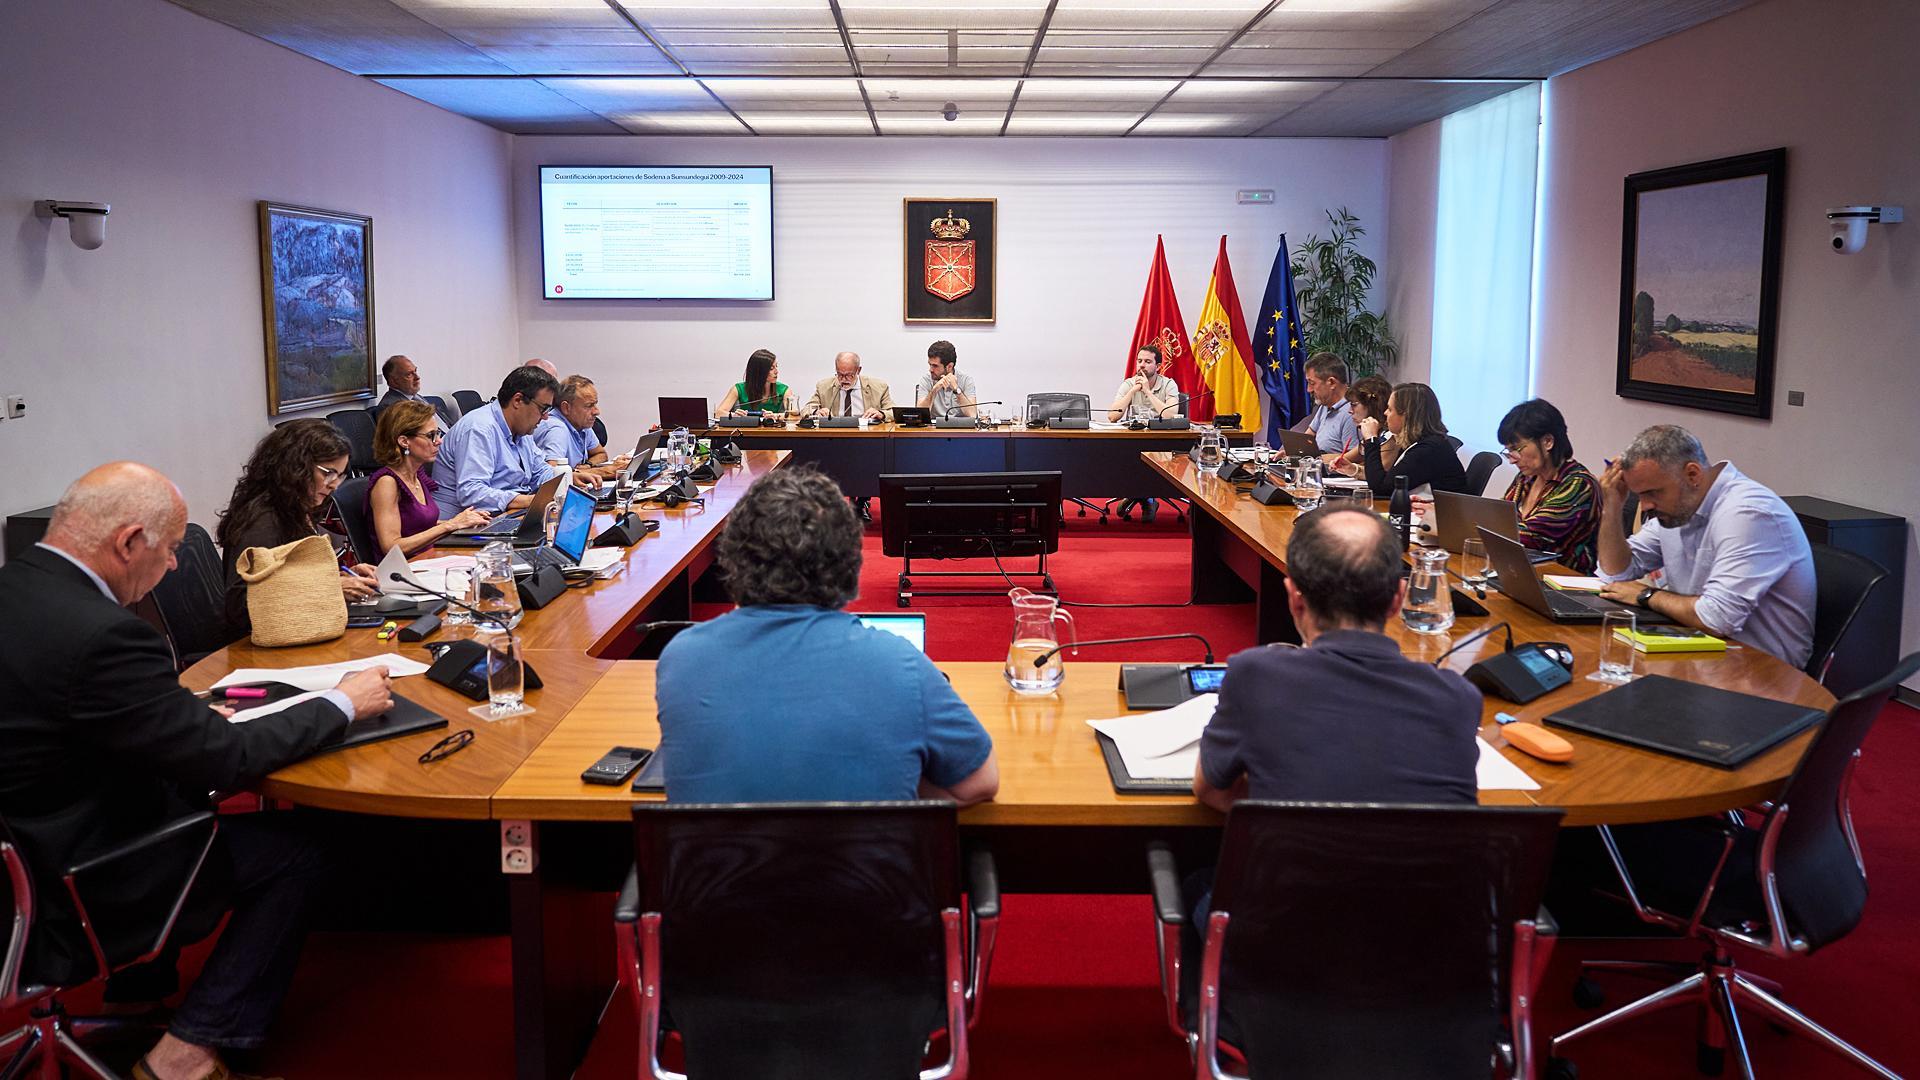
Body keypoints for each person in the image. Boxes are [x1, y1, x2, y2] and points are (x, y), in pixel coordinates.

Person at [0, 462, 393, 1080]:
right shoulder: (104, 635)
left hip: (23, 848)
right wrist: (343, 702)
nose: (177, 567)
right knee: (303, 851)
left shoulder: (18, 587)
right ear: (130, 542)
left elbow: (76, 713)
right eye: (174, 550)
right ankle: (188, 1052)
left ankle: (137, 990)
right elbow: (224, 760)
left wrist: (181, 710)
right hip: (75, 878)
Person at [1185, 506, 1481, 1019]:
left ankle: (1211, 1018)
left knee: (1194, 879)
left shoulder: (1256, 674)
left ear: (1293, 596)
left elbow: (1211, 792)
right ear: (1397, 600)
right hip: (1423, 953)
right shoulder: (1456, 696)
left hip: (1287, 942)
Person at [656, 466, 999, 805]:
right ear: (850, 562)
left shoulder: (682, 657)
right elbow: (979, 784)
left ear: (731, 558)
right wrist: (899, 778)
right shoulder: (901, 663)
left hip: (721, 862)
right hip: (866, 862)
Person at [1595, 425, 1814, 667]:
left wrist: (1646, 595)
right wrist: (1612, 506)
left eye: (1652, 493)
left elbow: (1717, 618)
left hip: (1762, 673)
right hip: (1697, 653)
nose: (1645, 506)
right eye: (1639, 495)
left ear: (1692, 475)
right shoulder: (1679, 507)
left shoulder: (1748, 512)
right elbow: (1615, 572)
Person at [217, 419, 379, 636]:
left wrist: (341, 575)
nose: (335, 484)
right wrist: (330, 587)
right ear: (295, 466)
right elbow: (242, 606)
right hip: (264, 649)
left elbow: (288, 574)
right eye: (328, 473)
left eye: (340, 475)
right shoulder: (262, 522)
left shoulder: (298, 507)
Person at [366, 401, 491, 560]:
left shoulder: (416, 474)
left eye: (438, 433)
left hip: (429, 559)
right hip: (405, 570)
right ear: (404, 441)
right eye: (431, 435)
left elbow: (418, 527)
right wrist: (450, 525)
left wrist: (463, 522)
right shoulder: (386, 483)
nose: (439, 441)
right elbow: (391, 546)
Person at [432, 364, 562, 516]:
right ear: (518, 400)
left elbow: (539, 471)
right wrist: (529, 501)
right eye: (543, 408)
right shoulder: (479, 429)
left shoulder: (522, 429)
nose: (546, 417)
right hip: (459, 528)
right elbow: (472, 493)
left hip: (500, 515)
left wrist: (567, 479)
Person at [1496, 399, 1601, 574]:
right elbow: (1498, 515)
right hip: (1523, 572)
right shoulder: (1526, 478)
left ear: (1547, 442)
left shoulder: (1579, 484)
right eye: (1508, 451)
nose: (1512, 459)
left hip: (1565, 586)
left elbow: (1531, 538)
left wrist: (1476, 524)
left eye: (1517, 449)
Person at [1357, 381, 1469, 496]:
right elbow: (1386, 478)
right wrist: (1355, 470)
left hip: (1439, 512)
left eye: (1390, 409)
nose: (1385, 413)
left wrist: (1371, 439)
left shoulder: (1428, 450)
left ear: (1406, 415)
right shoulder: (1418, 442)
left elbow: (1381, 488)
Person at [533, 374, 626, 488]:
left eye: (595, 404)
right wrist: (607, 472)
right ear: (566, 408)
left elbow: (600, 453)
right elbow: (554, 477)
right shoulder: (556, 429)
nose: (597, 411)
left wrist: (587, 465)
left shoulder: (580, 423)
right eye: (589, 406)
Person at [1324, 374, 1393, 476]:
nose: (1349, 411)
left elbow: (1379, 476)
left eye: (1354, 404)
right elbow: (1344, 459)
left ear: (1371, 405)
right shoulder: (1372, 434)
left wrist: (1355, 470)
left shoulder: (1390, 436)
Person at [1294, 352, 1357, 456]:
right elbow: (1308, 436)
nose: (1308, 390)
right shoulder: (1326, 403)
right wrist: (1292, 453)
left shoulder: (1352, 412)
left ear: (1332, 382)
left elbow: (1353, 459)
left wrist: (1318, 460)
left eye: (1312, 383)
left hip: (1332, 471)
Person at [804, 351, 893, 421]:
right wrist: (816, 412)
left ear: (858, 370)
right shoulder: (823, 386)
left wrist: (881, 414)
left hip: (866, 434)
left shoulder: (879, 387)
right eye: (840, 374)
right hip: (834, 434)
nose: (843, 379)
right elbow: (806, 409)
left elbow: (893, 412)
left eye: (849, 375)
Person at [1107, 343, 1183, 422]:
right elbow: (1112, 417)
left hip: (1161, 432)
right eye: (1139, 361)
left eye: (1147, 362)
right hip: (1136, 432)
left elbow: (1170, 416)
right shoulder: (1129, 384)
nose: (1142, 365)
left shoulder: (1168, 384)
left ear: (1158, 367)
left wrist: (1147, 392)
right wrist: (1132, 391)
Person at [374, 354, 456, 426]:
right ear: (394, 381)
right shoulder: (390, 407)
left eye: (415, 371)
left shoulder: (416, 397)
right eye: (409, 374)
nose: (417, 377)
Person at [718, 348, 793, 415]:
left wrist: (776, 416)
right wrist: (734, 416)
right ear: (759, 371)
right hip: (745, 429)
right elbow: (718, 413)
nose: (776, 372)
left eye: (776, 366)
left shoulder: (784, 390)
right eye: (771, 368)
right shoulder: (738, 389)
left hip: (773, 429)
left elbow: (794, 416)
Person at [914, 340, 978, 419]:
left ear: (949, 366)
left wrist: (956, 390)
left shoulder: (966, 380)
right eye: (930, 364)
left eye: (935, 366)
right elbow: (920, 415)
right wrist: (934, 390)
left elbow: (972, 414)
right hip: (933, 429)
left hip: (960, 428)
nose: (930, 370)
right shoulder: (926, 380)